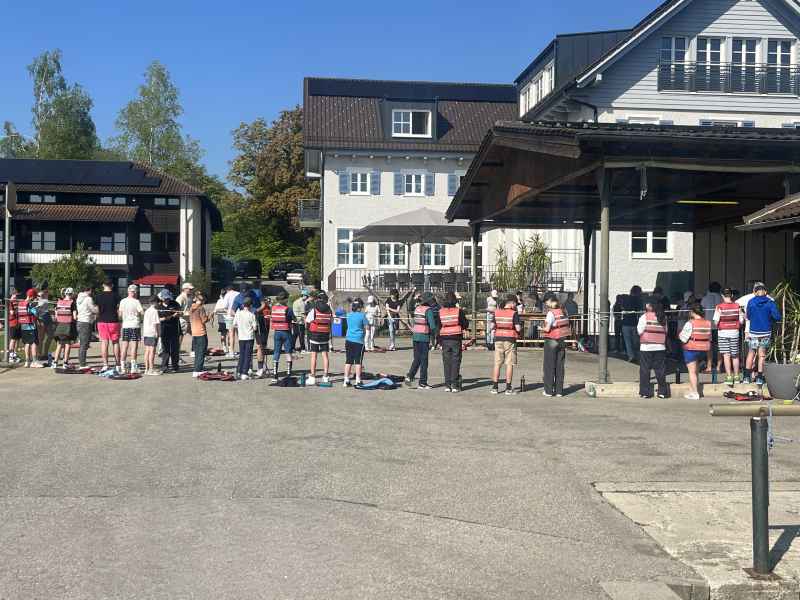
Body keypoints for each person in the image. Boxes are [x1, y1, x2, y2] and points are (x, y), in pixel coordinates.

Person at [744, 284, 781, 385]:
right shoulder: (770, 302)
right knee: (762, 355)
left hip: (753, 333)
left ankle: (746, 377)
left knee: (751, 353)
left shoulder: (751, 302)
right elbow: (777, 317)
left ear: (755, 292)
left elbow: (748, 316)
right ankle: (760, 378)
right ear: (765, 292)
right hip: (765, 333)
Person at [404, 292, 438, 390]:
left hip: (415, 336)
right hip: (424, 336)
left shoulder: (417, 308)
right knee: (424, 361)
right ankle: (423, 382)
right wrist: (435, 336)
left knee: (417, 358)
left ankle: (410, 376)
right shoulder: (428, 310)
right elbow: (432, 326)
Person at [637, 297, 669, 399]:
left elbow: (639, 331)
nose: (646, 305)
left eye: (647, 304)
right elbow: (666, 331)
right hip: (660, 346)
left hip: (646, 347)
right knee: (660, 370)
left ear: (650, 306)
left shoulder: (644, 317)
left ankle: (645, 392)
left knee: (645, 369)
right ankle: (662, 392)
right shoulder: (663, 317)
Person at [679, 303, 712, 400]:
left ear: (692, 312)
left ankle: (695, 393)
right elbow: (709, 337)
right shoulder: (708, 323)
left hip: (691, 349)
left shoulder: (690, 323)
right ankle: (693, 388)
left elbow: (683, 338)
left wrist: (680, 335)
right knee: (696, 370)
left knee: (692, 372)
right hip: (704, 349)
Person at [490, 295, 521, 395]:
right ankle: (508, 388)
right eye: (515, 304)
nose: (515, 306)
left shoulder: (497, 312)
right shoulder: (514, 313)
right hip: (510, 340)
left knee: (497, 363)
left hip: (498, 338)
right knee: (509, 363)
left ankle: (495, 387)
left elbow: (491, 326)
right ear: (511, 303)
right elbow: (518, 328)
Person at [439, 291, 469, 393]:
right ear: (455, 300)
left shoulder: (441, 311)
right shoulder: (458, 311)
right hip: (456, 337)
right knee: (456, 361)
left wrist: (439, 341)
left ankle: (447, 385)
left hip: (444, 338)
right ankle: (454, 384)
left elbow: (438, 325)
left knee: (446, 361)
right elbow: (465, 324)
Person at [542, 293, 571, 397]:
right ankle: (559, 391)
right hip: (562, 339)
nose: (546, 305)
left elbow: (547, 329)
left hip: (552, 340)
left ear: (550, 300)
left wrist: (541, 328)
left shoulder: (551, 313)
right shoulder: (564, 311)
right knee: (560, 366)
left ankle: (549, 391)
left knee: (549, 366)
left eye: (546, 303)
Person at [714, 288, 745, 386]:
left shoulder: (719, 307)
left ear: (722, 296)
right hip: (735, 332)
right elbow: (741, 321)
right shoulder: (737, 306)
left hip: (723, 333)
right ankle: (737, 377)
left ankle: (729, 377)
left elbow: (715, 321)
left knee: (726, 355)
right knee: (735, 355)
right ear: (731, 295)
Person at [305, 291, 333, 385]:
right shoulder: (329, 310)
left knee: (314, 356)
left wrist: (308, 331)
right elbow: (331, 322)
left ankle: (312, 377)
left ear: (318, 299)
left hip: (315, 335)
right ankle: (325, 376)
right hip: (325, 335)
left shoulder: (314, 310)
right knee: (325, 355)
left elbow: (307, 321)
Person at [95, 281, 121, 371]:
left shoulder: (98, 296)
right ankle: (118, 364)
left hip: (102, 321)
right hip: (113, 321)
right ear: (112, 285)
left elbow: (97, 310)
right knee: (115, 342)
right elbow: (119, 310)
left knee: (104, 342)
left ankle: (105, 364)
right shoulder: (116, 296)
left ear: (103, 285)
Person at [118, 284, 144, 374]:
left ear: (128, 291)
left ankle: (122, 367)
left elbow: (120, 315)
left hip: (125, 325)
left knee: (124, 346)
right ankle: (133, 367)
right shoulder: (136, 301)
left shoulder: (123, 301)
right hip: (135, 325)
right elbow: (142, 312)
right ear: (136, 292)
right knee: (134, 346)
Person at [269, 292, 294, 381]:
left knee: (276, 352)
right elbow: (293, 319)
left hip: (277, 332)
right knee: (288, 352)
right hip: (286, 332)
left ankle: (275, 374)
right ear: (285, 299)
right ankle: (288, 374)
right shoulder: (288, 309)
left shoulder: (274, 308)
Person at [344, 298, 368, 387]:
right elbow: (367, 327)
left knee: (348, 360)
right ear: (359, 307)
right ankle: (358, 380)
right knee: (358, 361)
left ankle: (346, 379)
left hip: (349, 339)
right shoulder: (362, 315)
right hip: (359, 341)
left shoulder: (348, 315)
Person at [52, 288, 78, 369]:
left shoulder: (59, 302)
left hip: (59, 326)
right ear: (72, 294)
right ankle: (65, 363)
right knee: (67, 344)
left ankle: (55, 362)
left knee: (59, 344)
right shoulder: (72, 303)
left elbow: (56, 315)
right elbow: (75, 317)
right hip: (68, 326)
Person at [157, 289, 182, 373]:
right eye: (164, 298)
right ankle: (164, 366)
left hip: (174, 329)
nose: (166, 300)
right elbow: (158, 319)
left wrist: (178, 314)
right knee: (165, 349)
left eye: (167, 298)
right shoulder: (159, 306)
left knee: (175, 349)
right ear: (161, 298)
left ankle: (175, 366)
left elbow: (180, 313)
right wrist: (170, 316)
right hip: (164, 330)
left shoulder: (175, 304)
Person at [233, 296, 257, 380]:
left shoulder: (238, 313)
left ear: (243, 305)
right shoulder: (252, 314)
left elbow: (234, 324)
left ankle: (239, 371)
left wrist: (240, 327)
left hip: (241, 336)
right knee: (248, 355)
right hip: (249, 337)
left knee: (242, 354)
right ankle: (244, 373)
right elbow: (255, 328)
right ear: (251, 305)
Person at [701, 282, 723, 373]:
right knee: (719, 347)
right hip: (719, 326)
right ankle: (718, 367)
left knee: (709, 347)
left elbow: (701, 311)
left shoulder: (705, 298)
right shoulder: (721, 298)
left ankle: (709, 366)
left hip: (708, 325)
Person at [18, 288, 42, 368]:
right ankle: (34, 362)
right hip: (31, 327)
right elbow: (36, 314)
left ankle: (27, 361)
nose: (35, 298)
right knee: (34, 343)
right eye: (34, 297)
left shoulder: (21, 303)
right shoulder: (30, 304)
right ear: (31, 297)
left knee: (27, 343)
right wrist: (38, 307)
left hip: (23, 326)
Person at [190, 291, 212, 377]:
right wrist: (210, 316)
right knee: (201, 352)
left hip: (194, 332)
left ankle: (197, 368)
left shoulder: (192, 307)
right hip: (201, 332)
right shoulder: (201, 308)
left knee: (197, 352)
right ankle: (198, 370)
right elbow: (204, 320)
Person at [75, 286, 97, 368]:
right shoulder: (88, 299)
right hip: (86, 322)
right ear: (89, 290)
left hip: (80, 321)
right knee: (84, 344)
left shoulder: (79, 298)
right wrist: (98, 308)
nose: (91, 292)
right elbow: (93, 310)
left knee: (82, 343)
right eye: (91, 291)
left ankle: (82, 361)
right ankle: (82, 364)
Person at [621, 286, 643, 362]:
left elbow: (622, 308)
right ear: (638, 292)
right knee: (636, 341)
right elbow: (640, 311)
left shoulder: (625, 299)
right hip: (634, 323)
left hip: (625, 323)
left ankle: (631, 356)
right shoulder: (638, 300)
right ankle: (638, 355)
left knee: (628, 341)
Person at [142, 295, 161, 375]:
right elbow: (156, 323)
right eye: (158, 302)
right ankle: (151, 369)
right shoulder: (154, 311)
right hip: (152, 333)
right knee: (152, 352)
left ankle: (146, 369)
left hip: (146, 332)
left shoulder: (147, 310)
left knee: (147, 351)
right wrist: (158, 333)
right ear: (155, 302)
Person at [255, 296, 272, 378]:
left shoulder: (269, 308)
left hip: (266, 329)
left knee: (263, 347)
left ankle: (261, 368)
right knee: (260, 347)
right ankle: (260, 368)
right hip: (260, 329)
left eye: (268, 302)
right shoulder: (260, 310)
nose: (268, 303)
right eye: (266, 301)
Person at [36, 289, 54, 361]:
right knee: (41, 338)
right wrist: (37, 319)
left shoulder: (46, 300)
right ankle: (39, 355)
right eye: (40, 296)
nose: (42, 297)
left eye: (43, 295)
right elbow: (36, 311)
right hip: (41, 320)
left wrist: (51, 311)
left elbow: (46, 309)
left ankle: (45, 354)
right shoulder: (36, 302)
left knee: (50, 335)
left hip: (48, 319)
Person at [222, 284, 239, 358]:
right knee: (239, 334)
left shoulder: (227, 295)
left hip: (230, 316)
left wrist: (227, 311)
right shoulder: (238, 294)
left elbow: (224, 306)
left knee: (231, 334)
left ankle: (231, 352)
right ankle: (242, 350)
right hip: (238, 316)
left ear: (227, 290)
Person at [6, 288, 21, 364]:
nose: (17, 296)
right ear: (12, 294)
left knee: (17, 339)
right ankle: (10, 356)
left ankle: (15, 355)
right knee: (13, 339)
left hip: (18, 322)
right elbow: (12, 312)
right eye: (16, 295)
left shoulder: (16, 301)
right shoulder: (10, 302)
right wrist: (18, 310)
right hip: (13, 323)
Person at [292, 289, 309, 354]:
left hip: (294, 321)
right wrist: (306, 323)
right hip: (300, 321)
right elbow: (303, 314)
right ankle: (303, 349)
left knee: (295, 335)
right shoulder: (302, 303)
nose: (307, 298)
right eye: (307, 296)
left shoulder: (295, 301)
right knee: (301, 335)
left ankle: (292, 348)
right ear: (304, 295)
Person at [213, 289, 229, 355]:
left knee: (230, 334)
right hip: (222, 320)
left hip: (229, 319)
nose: (223, 295)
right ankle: (224, 347)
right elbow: (215, 311)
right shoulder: (219, 301)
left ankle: (229, 347)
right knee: (223, 334)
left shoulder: (228, 300)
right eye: (223, 294)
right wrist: (223, 310)